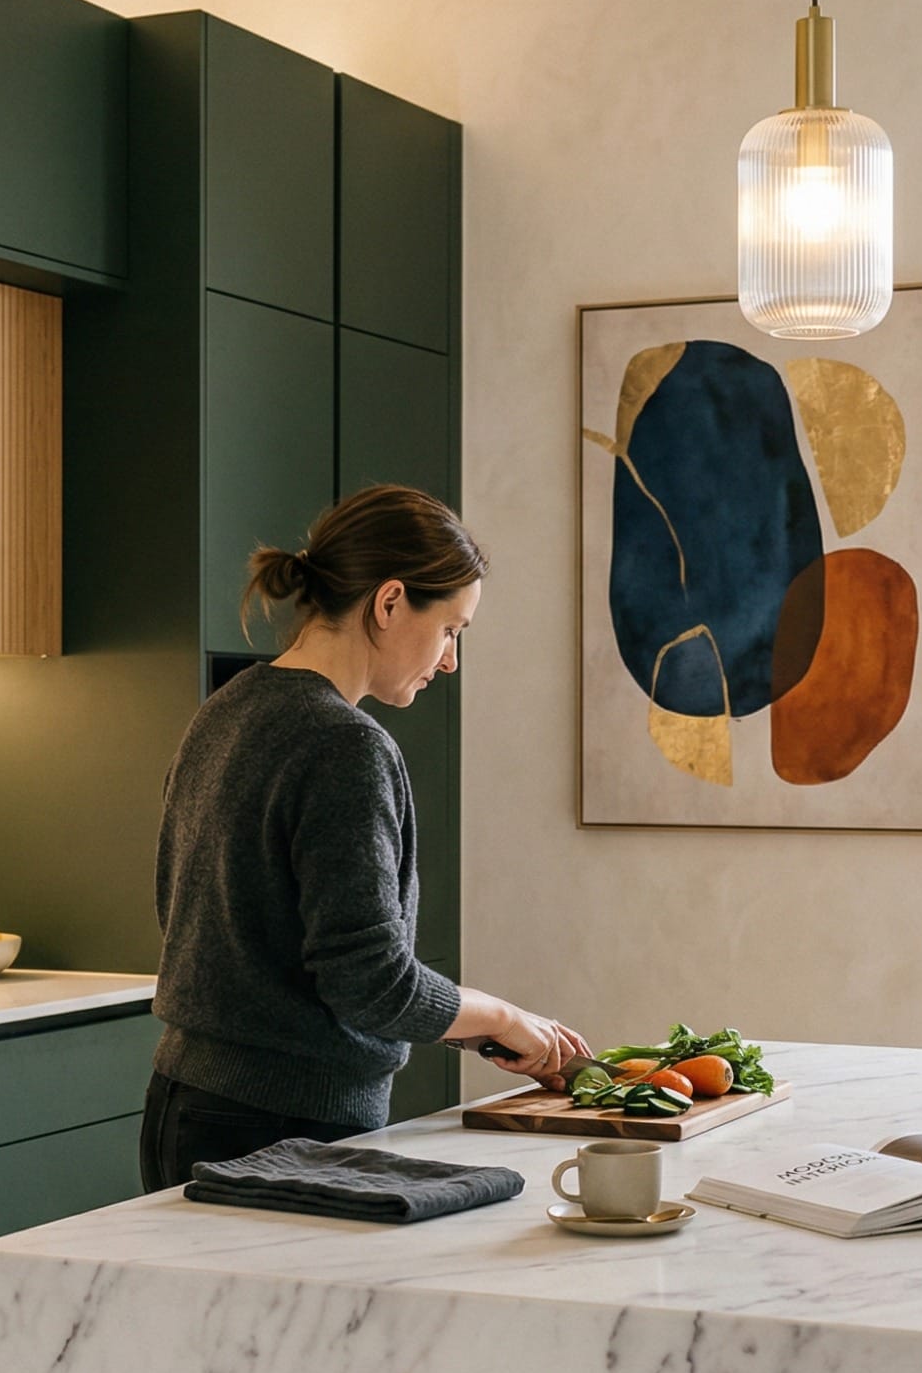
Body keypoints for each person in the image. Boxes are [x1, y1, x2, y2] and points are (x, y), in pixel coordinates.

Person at [140, 483, 590, 1191]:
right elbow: (370, 982)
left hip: (184, 1104)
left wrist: (474, 1027)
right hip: (285, 1130)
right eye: (451, 630)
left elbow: (237, 936)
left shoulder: (226, 711)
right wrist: (501, 1012)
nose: (449, 661)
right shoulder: (346, 745)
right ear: (388, 603)